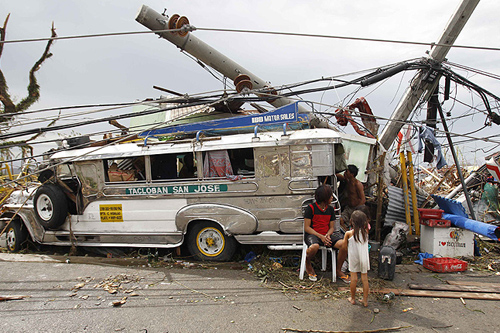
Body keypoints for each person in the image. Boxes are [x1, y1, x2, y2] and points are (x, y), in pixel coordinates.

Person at [303, 184, 350, 283]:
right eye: (330, 196)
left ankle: (338, 270)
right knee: (314, 247)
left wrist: (327, 236)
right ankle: (308, 263)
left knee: (344, 244)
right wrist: (321, 236)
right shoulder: (310, 208)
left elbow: (332, 227)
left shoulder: (330, 209)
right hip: (314, 235)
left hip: (326, 235)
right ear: (325, 198)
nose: (332, 197)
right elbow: (307, 228)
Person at [344, 210, 370, 307]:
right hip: (364, 258)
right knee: (365, 279)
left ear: (351, 221)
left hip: (354, 258)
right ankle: (365, 300)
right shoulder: (366, 233)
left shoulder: (349, 234)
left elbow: (344, 246)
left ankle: (353, 298)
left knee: (354, 278)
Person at [336, 164, 366, 231]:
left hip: (356, 208)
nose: (345, 173)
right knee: (340, 220)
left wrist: (357, 210)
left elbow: (363, 199)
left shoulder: (358, 184)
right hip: (348, 208)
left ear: (352, 174)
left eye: (347, 171)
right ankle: (346, 232)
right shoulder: (347, 181)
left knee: (354, 224)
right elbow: (338, 176)